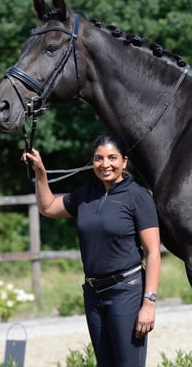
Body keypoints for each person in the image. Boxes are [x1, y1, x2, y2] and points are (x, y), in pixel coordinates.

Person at [22, 133, 161, 367]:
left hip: (126, 292)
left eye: (112, 158)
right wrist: (40, 173)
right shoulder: (86, 195)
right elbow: (47, 207)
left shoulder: (137, 197)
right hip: (94, 294)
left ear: (124, 161)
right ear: (92, 161)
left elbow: (153, 252)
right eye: (99, 158)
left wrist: (149, 303)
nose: (105, 164)